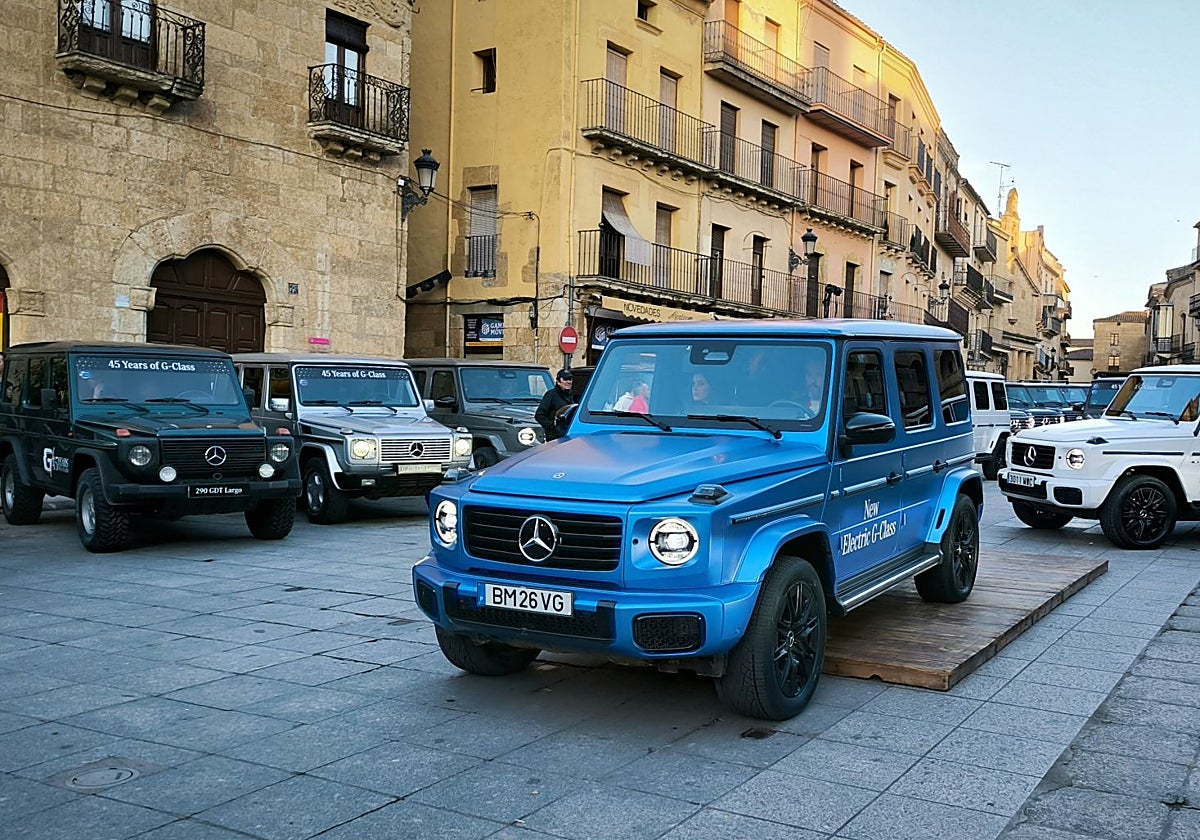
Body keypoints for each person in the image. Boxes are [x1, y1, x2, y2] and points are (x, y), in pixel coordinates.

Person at [536, 367, 575, 441]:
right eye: (565, 379)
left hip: (568, 435)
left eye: (570, 379)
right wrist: (553, 427)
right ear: (558, 381)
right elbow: (539, 415)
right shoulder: (551, 395)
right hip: (554, 438)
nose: (568, 382)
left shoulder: (571, 395)